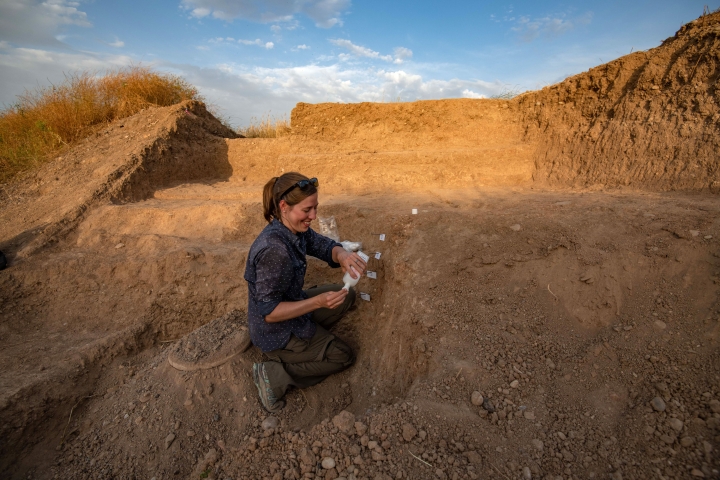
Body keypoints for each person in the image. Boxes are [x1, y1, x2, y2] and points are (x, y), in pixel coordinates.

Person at [244, 172, 367, 412]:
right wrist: (317, 303)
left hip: (293, 306)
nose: (313, 216)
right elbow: (268, 313)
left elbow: (320, 244)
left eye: (315, 208)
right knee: (342, 356)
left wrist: (341, 254)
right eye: (307, 210)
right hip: (275, 332)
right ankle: (275, 374)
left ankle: (311, 342)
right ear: (284, 206)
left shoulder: (292, 229)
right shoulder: (274, 250)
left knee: (347, 296)